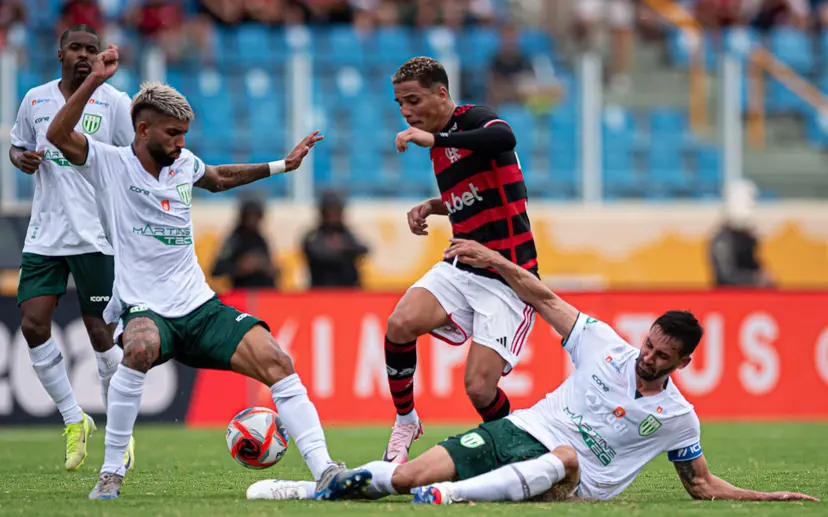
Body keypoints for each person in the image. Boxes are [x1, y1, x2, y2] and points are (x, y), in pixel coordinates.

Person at [246, 238, 819, 505]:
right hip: (519, 433)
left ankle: (457, 497)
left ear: (683, 363)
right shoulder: (605, 346)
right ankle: (309, 490)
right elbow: (543, 299)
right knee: (405, 477)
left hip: (573, 479)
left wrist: (765, 497)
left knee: (565, 459)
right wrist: (496, 261)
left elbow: (700, 487)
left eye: (663, 356)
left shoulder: (678, 418)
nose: (648, 356)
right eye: (650, 344)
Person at [45, 44, 370, 501]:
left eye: (184, 135)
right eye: (173, 134)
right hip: (147, 308)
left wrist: (282, 165)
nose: (181, 143)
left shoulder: (183, 164)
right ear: (143, 129)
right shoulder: (110, 163)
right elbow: (59, 135)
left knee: (278, 360)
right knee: (138, 347)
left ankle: (326, 470)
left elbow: (218, 177)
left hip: (200, 306)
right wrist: (94, 80)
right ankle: (112, 473)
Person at [381, 56, 539, 464]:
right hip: (463, 264)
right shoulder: (439, 144)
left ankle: (520, 453)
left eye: (413, 100)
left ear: (442, 93)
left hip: (509, 275)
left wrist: (436, 141)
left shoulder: (473, 120)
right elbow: (479, 199)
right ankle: (406, 421)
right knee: (400, 324)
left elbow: (504, 138)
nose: (406, 112)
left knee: (479, 389)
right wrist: (434, 206)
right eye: (400, 104)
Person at [8, 24, 134, 473]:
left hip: (97, 234)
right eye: (76, 48)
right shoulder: (35, 100)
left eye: (92, 49)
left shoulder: (114, 103)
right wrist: (20, 159)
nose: (84, 55)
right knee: (33, 324)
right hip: (45, 233)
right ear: (60, 52)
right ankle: (73, 418)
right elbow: (19, 147)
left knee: (102, 336)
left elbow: (134, 158)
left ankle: (121, 432)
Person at [301, 190, 369, 289]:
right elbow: (316, 253)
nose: (334, 217)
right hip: (322, 289)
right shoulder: (314, 235)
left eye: (337, 212)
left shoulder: (346, 233)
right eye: (331, 212)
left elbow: (363, 249)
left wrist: (343, 247)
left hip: (348, 290)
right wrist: (342, 251)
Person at [212, 196, 279, 289]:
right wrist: (240, 267)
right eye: (250, 216)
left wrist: (267, 267)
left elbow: (272, 269)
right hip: (242, 293)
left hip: (263, 293)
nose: (254, 220)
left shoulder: (260, 239)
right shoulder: (234, 240)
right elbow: (217, 270)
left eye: (257, 216)